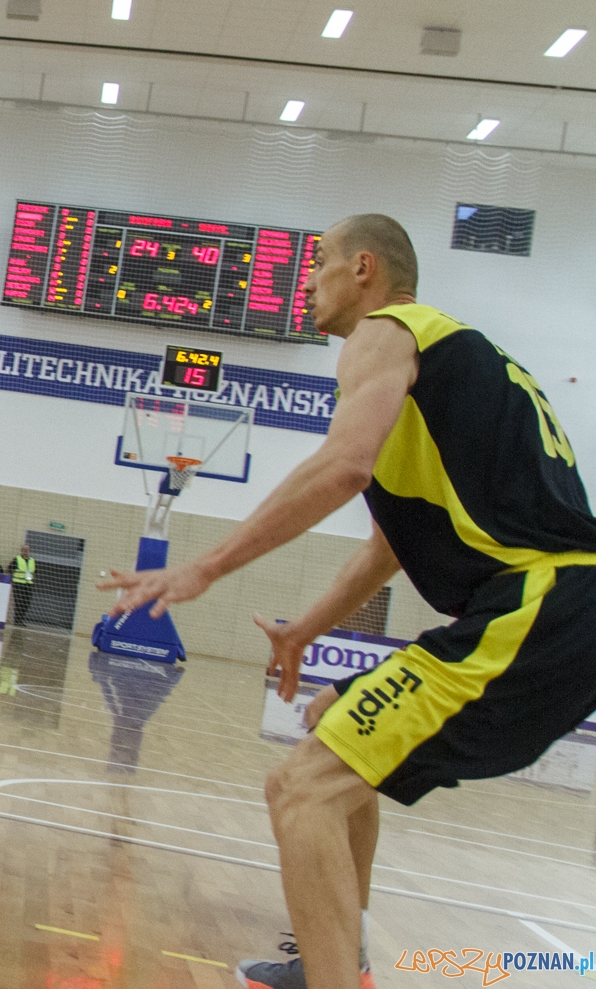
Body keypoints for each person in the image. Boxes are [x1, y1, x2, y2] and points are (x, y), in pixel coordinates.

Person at [100, 214, 596, 989]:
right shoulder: (440, 371)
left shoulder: (388, 331)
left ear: (364, 269)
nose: (308, 280)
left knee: (299, 787)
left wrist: (206, 566)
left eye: (320, 262)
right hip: (549, 605)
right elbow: (386, 548)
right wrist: (305, 631)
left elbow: (343, 465)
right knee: (335, 722)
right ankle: (338, 960)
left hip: (541, 604)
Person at [9, 544, 36, 626]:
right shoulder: (17, 559)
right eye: (24, 549)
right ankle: (17, 621)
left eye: (27, 549)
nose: (25, 551)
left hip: (28, 584)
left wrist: (32, 578)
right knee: (19, 602)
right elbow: (10, 569)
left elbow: (35, 572)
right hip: (18, 584)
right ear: (21, 550)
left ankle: (21, 619)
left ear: (29, 551)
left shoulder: (32, 560)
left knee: (26, 603)